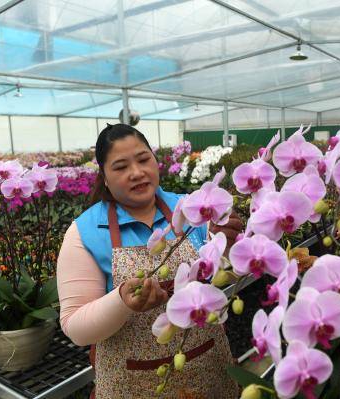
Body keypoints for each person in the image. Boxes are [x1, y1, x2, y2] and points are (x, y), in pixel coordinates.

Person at [57, 124, 241, 398]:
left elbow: (226, 275)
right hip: (130, 384)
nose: (137, 172)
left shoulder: (193, 210)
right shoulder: (85, 232)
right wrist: (121, 301)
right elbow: (76, 329)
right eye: (120, 167)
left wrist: (228, 245)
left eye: (143, 159)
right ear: (104, 177)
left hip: (209, 371)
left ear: (155, 162)